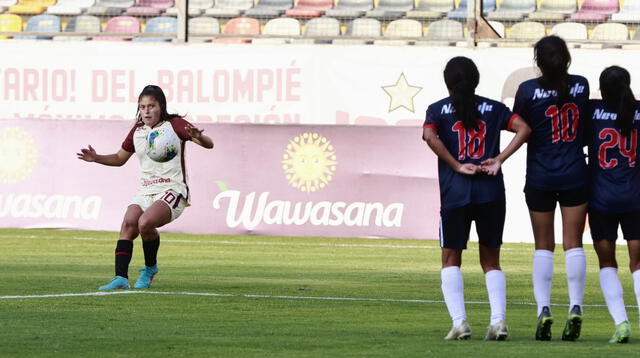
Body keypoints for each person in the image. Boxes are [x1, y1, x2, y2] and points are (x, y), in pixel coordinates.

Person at [423, 56, 531, 341]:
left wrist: (456, 164)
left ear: (447, 83)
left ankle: (459, 323)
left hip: (456, 193)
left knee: (450, 258)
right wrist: (498, 159)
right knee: (491, 260)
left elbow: (429, 136)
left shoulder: (437, 110)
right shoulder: (494, 108)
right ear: (476, 80)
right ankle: (498, 322)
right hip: (491, 192)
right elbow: (524, 128)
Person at [77, 85, 214, 290]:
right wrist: (96, 158)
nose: (147, 110)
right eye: (143, 106)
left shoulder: (174, 125)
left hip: (173, 189)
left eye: (151, 106)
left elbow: (209, 144)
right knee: (129, 224)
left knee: (145, 223)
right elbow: (119, 158)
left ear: (161, 107)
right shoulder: (138, 130)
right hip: (146, 190)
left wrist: (199, 136)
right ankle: (120, 278)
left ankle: (150, 268)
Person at [512, 35, 590, 341]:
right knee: (574, 243)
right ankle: (575, 306)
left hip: (541, 174)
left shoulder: (527, 90)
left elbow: (522, 127)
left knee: (543, 245)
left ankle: (543, 309)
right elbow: (584, 129)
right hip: (574, 171)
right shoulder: (581, 85)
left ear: (538, 62)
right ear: (567, 58)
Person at [586, 66, 640, 344]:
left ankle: (621, 323)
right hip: (635, 197)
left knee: (607, 263)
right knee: (638, 264)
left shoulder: (592, 112)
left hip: (601, 199)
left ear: (603, 90)